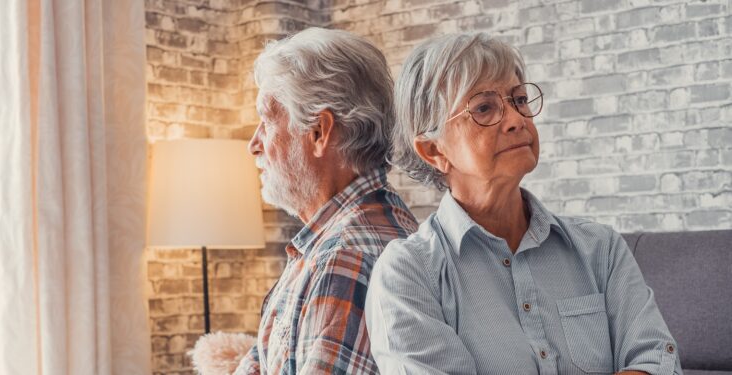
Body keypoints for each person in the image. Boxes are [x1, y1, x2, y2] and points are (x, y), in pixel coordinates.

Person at [365, 32, 682, 375]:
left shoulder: (600, 249)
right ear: (434, 150)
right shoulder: (408, 275)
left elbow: (655, 360)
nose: (517, 120)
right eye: (485, 108)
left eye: (519, 99)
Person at [235, 27, 418, 374]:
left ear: (319, 132)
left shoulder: (347, 258)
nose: (254, 144)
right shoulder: (326, 245)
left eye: (267, 122)